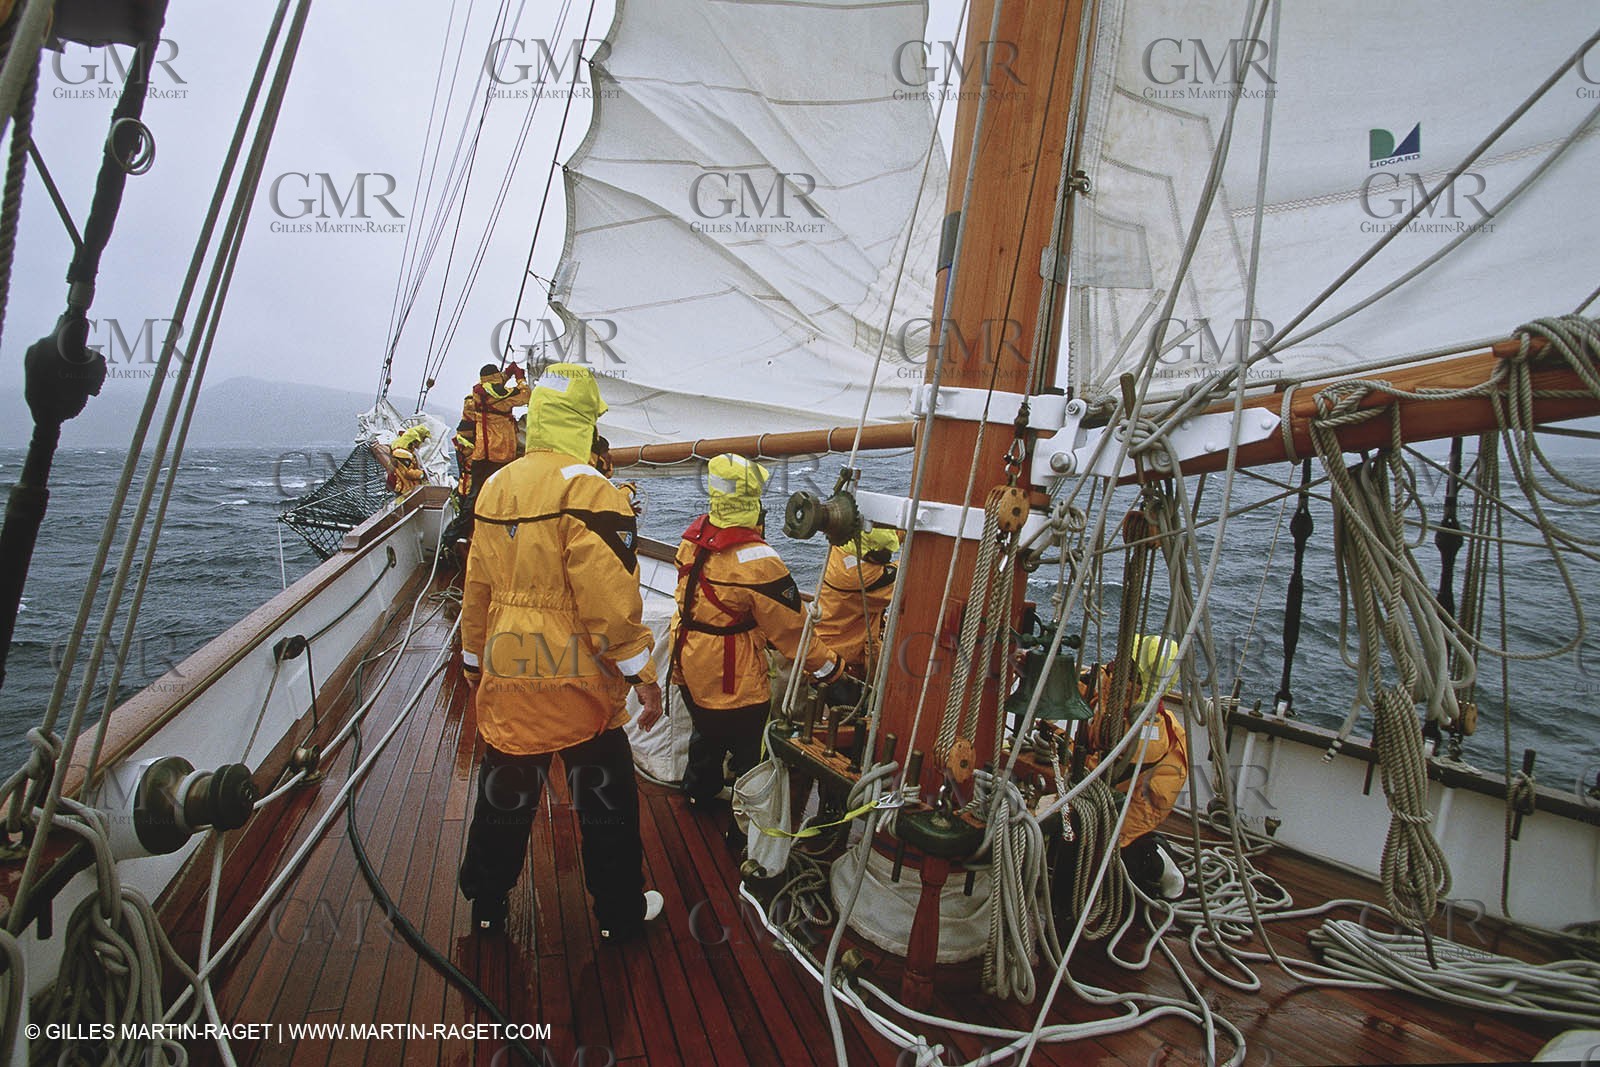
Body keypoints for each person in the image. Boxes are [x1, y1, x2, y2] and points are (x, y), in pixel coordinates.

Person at [457, 362, 666, 942]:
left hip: (509, 668)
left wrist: (474, 660)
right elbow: (607, 597)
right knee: (606, 805)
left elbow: (478, 586)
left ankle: (487, 906)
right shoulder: (591, 487)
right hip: (576, 679)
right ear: (586, 421)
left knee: (504, 798)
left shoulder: (496, 484)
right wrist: (641, 673)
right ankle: (620, 915)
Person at [670, 453, 843, 838]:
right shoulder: (759, 561)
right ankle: (745, 827)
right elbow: (793, 633)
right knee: (753, 752)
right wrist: (833, 668)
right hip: (732, 678)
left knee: (706, 732)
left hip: (688, 663)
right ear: (755, 501)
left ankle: (698, 792)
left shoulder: (692, 540)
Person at [1080, 634, 1188, 899]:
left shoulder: (1149, 736)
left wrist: (1059, 743)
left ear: (1139, 682)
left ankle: (1159, 863)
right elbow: (1091, 686)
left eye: (1127, 665)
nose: (1114, 664)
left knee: (1110, 853)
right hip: (1111, 792)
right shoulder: (1117, 687)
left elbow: (1100, 771)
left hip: (1139, 803)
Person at [813, 527, 899, 704]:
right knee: (847, 710)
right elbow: (906, 573)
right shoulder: (859, 576)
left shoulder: (841, 550)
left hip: (823, 646)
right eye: (884, 556)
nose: (887, 560)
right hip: (842, 661)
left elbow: (876, 538)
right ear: (869, 555)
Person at [459, 362, 531, 533]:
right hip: (499, 453)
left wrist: (507, 373)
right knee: (501, 495)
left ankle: (456, 534)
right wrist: (520, 378)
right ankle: (495, 530)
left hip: (480, 453)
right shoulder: (503, 398)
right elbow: (526, 395)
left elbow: (495, 389)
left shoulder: (478, 393)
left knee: (474, 495)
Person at [385, 425, 431, 499]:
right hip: (404, 488)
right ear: (412, 442)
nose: (418, 445)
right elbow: (407, 473)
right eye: (418, 442)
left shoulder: (402, 452)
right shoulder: (402, 454)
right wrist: (422, 474)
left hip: (406, 488)